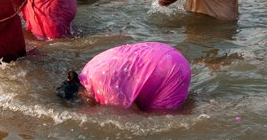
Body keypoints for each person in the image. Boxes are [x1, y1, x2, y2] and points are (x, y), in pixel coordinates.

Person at [56, 42, 190, 111]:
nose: (87, 104)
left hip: (170, 68)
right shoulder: (88, 71)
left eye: (82, 101)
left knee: (162, 118)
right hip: (164, 51)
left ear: (80, 94)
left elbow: (131, 116)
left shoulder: (102, 89)